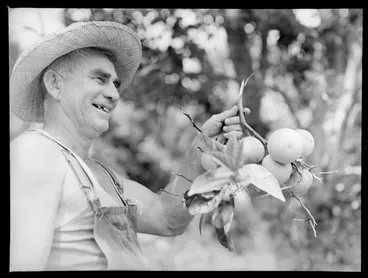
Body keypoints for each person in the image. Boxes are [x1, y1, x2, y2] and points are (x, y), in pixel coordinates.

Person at [10, 21, 250, 271]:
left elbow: (167, 219)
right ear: (55, 84)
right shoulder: (37, 152)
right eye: (99, 79)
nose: (114, 94)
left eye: (115, 84)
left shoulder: (105, 176)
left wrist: (201, 147)